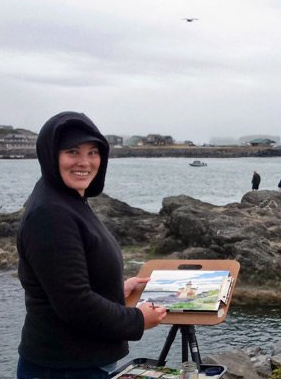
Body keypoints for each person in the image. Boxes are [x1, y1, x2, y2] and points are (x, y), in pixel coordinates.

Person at [16, 112, 167, 379]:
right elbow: (74, 303)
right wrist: (138, 320)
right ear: (51, 155)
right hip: (62, 368)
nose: (85, 162)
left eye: (93, 152)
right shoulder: (50, 213)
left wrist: (115, 291)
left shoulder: (68, 199)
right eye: (73, 152)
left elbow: (64, 282)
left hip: (78, 364)